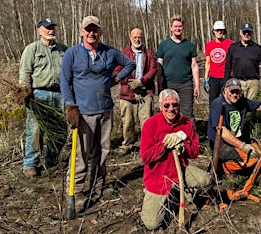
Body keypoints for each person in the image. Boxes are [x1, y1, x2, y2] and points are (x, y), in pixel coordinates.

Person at [60, 16, 136, 206]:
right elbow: (64, 81)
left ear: (100, 32)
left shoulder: (109, 52)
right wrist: (70, 105)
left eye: (95, 30)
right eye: (88, 30)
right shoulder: (72, 54)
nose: (91, 33)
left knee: (102, 150)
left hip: (105, 110)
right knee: (81, 153)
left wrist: (117, 79)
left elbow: (130, 64)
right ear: (81, 31)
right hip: (83, 112)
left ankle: (98, 185)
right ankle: (76, 190)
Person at [139, 89, 211, 230]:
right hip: (158, 177)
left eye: (175, 105)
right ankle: (158, 198)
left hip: (181, 172)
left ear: (179, 105)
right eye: (167, 105)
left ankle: (183, 196)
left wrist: (184, 144)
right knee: (151, 224)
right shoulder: (150, 124)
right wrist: (164, 145)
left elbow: (196, 152)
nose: (171, 109)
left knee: (205, 181)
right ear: (160, 106)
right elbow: (145, 157)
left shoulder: (186, 123)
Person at [207, 78, 261, 176]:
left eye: (237, 91)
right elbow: (223, 132)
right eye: (232, 91)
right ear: (225, 91)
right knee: (244, 159)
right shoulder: (218, 104)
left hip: (236, 139)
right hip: (220, 143)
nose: (235, 95)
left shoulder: (242, 102)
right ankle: (224, 169)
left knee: (256, 154)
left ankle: (234, 169)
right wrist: (242, 146)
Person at [19, 17, 68, 178]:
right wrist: (26, 94)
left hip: (60, 95)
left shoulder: (63, 50)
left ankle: (51, 162)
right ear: (39, 31)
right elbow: (25, 73)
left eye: (53, 27)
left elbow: (70, 74)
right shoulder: (32, 49)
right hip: (38, 94)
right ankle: (30, 165)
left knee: (59, 131)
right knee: (35, 131)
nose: (51, 30)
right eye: (47, 27)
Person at [113, 27, 158, 155]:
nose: (137, 39)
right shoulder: (123, 53)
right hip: (127, 92)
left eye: (139, 37)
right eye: (135, 37)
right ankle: (128, 143)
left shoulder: (148, 54)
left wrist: (141, 81)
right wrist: (128, 82)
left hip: (145, 91)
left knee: (147, 120)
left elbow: (153, 70)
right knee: (127, 120)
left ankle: (147, 144)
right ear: (130, 38)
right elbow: (117, 72)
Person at [156, 15, 200, 122]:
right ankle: (168, 136)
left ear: (183, 28)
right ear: (171, 28)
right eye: (175, 26)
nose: (177, 29)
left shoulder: (189, 45)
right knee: (168, 113)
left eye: (180, 26)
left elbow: (194, 65)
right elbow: (159, 66)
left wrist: (197, 85)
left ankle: (190, 137)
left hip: (186, 84)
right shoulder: (163, 45)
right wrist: (159, 84)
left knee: (187, 114)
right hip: (168, 84)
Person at [224, 22, 261, 100]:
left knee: (251, 108)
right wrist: (226, 83)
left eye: (249, 32)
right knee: (238, 107)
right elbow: (228, 66)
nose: (246, 34)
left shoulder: (258, 49)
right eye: (244, 32)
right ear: (240, 33)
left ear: (252, 33)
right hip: (237, 83)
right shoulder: (233, 48)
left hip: (253, 83)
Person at [204, 20, 234, 105]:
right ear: (213, 31)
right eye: (217, 30)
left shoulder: (230, 43)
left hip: (227, 76)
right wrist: (206, 79)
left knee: (228, 101)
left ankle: (226, 118)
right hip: (214, 77)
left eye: (221, 30)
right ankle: (214, 118)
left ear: (224, 31)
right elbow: (208, 62)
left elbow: (233, 60)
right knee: (213, 102)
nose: (219, 32)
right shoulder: (209, 45)